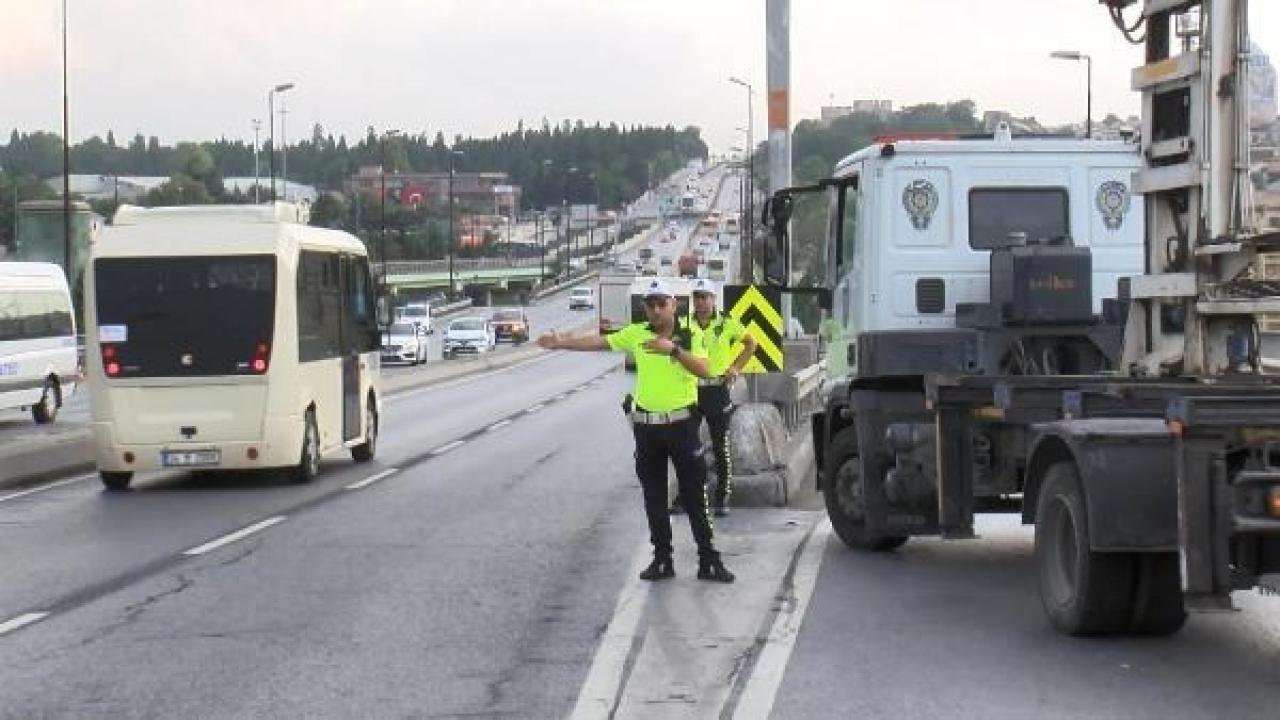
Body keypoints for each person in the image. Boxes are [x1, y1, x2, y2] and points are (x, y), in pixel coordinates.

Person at [537, 278, 735, 583]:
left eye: (661, 304)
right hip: (647, 429)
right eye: (650, 305)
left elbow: (705, 369)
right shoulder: (638, 333)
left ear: (674, 305)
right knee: (653, 497)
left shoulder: (691, 334)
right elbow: (601, 342)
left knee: (695, 495)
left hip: (682, 426)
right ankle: (662, 559)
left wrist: (674, 350)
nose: (655, 311)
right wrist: (561, 342)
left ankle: (708, 558)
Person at [671, 278, 757, 517]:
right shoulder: (684, 323)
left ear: (713, 299)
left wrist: (736, 368)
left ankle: (722, 498)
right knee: (686, 446)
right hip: (691, 390)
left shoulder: (726, 322)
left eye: (705, 297)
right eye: (697, 297)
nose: (700, 302)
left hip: (717, 390)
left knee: (721, 447)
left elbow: (751, 344)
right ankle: (686, 497)